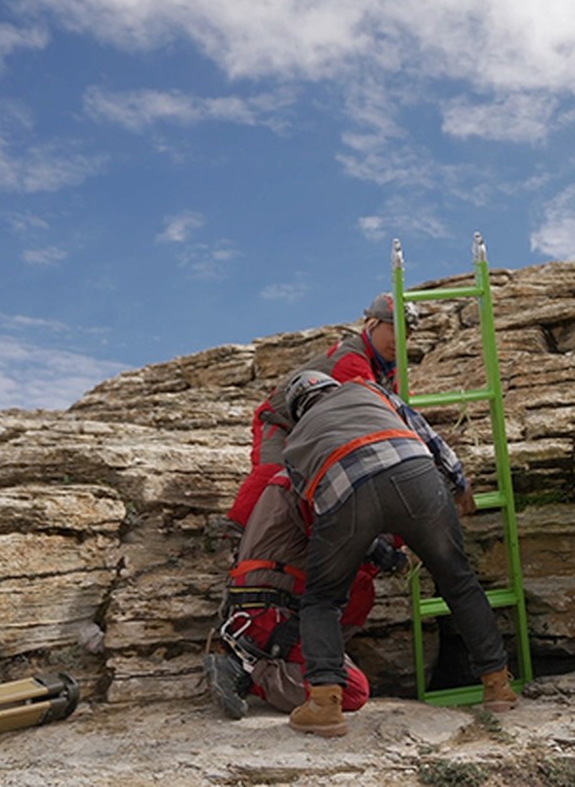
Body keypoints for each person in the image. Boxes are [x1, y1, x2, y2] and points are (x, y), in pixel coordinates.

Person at [279, 371, 517, 737]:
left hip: (347, 494)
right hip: (415, 473)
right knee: (459, 581)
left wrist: (383, 554)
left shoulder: (294, 444)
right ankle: (498, 686)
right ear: (330, 387)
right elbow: (426, 435)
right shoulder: (367, 388)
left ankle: (325, 705)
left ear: (298, 410)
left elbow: (322, 511)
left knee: (322, 600)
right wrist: (458, 483)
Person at [202, 469, 407, 718]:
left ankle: (301, 665)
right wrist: (378, 547)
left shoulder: (299, 475)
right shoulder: (308, 483)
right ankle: (247, 670)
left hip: (272, 603)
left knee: (361, 587)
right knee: (352, 692)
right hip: (268, 613)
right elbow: (337, 534)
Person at [223, 294, 419, 531]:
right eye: (394, 329)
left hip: (315, 432)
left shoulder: (388, 369)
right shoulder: (352, 361)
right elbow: (375, 415)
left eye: (406, 335)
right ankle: (232, 532)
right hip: (281, 423)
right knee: (273, 473)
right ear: (372, 324)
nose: (400, 341)